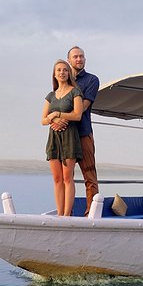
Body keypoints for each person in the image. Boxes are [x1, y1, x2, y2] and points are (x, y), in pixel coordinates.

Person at [51, 46, 100, 215]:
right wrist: (55, 121)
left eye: (82, 56)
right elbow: (54, 104)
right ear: (69, 59)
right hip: (64, 136)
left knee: (89, 175)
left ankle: (91, 214)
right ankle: (66, 214)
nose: (79, 59)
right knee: (65, 177)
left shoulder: (92, 80)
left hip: (83, 133)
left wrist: (61, 119)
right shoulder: (62, 79)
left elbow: (84, 106)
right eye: (75, 57)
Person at [42, 60, 84, 216]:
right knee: (57, 178)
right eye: (58, 70)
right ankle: (59, 214)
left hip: (69, 137)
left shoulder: (75, 92)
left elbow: (77, 115)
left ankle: (67, 215)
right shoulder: (50, 96)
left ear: (69, 73)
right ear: (54, 74)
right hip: (54, 138)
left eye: (65, 70)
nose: (62, 72)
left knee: (68, 178)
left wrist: (58, 114)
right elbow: (43, 120)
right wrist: (53, 119)